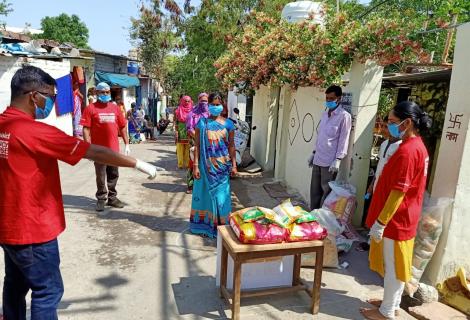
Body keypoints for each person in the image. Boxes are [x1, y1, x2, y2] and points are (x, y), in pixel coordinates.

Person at [0, 66, 158, 320]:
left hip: (8, 228)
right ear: (33, 96)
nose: (51, 103)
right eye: (49, 97)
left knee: (15, 284)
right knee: (47, 291)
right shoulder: (34, 131)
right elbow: (92, 151)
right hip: (33, 228)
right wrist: (137, 163)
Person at [360, 101, 432, 320]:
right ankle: (392, 303)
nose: (389, 126)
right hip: (402, 216)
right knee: (396, 265)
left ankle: (387, 311)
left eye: (392, 122)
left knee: (393, 268)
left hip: (395, 219)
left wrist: (381, 223)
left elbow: (398, 192)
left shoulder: (409, 151)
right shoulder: (414, 145)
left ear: (407, 123)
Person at [189, 92, 237, 238]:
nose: (215, 107)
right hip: (205, 167)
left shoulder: (229, 124)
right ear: (208, 106)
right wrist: (196, 166)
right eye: (213, 105)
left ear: (222, 105)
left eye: (218, 104)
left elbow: (231, 146)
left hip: (222, 168)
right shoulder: (201, 124)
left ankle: (222, 228)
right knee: (205, 197)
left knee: (222, 198)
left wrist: (234, 165)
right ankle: (204, 226)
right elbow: (197, 145)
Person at [80, 82, 131, 212]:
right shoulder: (90, 108)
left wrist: (127, 144)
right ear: (97, 93)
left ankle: (112, 198)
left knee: (114, 174)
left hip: (113, 150)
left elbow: (122, 127)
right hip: (98, 151)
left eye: (107, 92)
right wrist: (89, 148)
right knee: (101, 175)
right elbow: (86, 129)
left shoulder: (115, 108)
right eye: (102, 92)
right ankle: (101, 199)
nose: (105, 94)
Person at [308, 85, 352, 210]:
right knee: (314, 190)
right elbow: (320, 135)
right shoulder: (325, 114)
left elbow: (344, 139)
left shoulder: (344, 116)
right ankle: (313, 214)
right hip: (318, 157)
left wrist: (338, 159)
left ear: (339, 98)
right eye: (327, 98)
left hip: (329, 161)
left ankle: (321, 217)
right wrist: (313, 152)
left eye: (331, 98)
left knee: (326, 191)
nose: (328, 101)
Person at [186, 92, 210, 194]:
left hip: (208, 141)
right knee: (193, 163)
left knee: (206, 162)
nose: (204, 103)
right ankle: (191, 186)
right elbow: (189, 128)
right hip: (194, 140)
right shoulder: (192, 113)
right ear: (198, 101)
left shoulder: (210, 113)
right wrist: (198, 137)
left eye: (206, 101)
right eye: (202, 101)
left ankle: (205, 185)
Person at [174, 95, 193, 169]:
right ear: (182, 101)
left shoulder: (192, 110)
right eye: (185, 101)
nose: (187, 102)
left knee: (188, 148)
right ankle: (180, 164)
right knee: (180, 148)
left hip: (189, 131)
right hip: (180, 131)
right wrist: (176, 131)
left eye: (188, 101)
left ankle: (187, 164)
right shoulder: (178, 110)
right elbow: (176, 121)